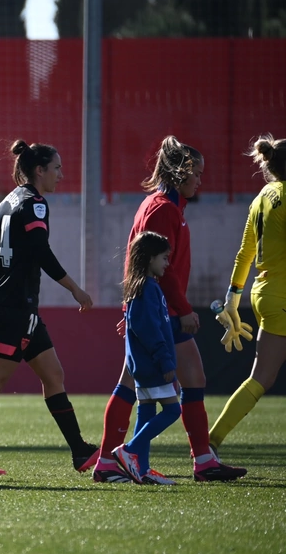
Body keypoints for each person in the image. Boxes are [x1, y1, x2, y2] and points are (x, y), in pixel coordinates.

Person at [93, 136, 247, 483]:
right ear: (180, 173)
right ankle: (196, 460)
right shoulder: (163, 209)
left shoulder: (163, 206)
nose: (201, 180)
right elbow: (160, 268)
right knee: (187, 380)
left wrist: (129, 309)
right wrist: (181, 309)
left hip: (152, 308)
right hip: (161, 312)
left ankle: (114, 462)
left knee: (132, 384)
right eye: (197, 173)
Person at [0, 140, 99, 475]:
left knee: (53, 375)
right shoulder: (34, 204)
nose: (61, 176)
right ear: (40, 170)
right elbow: (40, 252)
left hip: (15, 306)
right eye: (57, 168)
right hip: (15, 307)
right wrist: (75, 289)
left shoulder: (6, 203)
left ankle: (80, 452)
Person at [208, 133, 286, 454]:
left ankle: (210, 440)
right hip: (282, 295)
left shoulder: (261, 197)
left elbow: (244, 254)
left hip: (262, 293)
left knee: (261, 378)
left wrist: (233, 298)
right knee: (262, 377)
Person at [111, 231, 181, 485]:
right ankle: (130, 449)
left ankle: (142, 469)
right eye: (163, 258)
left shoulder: (144, 288)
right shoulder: (146, 289)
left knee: (147, 412)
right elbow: (149, 330)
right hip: (152, 364)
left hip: (143, 365)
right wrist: (165, 361)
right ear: (150, 258)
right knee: (173, 410)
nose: (167, 263)